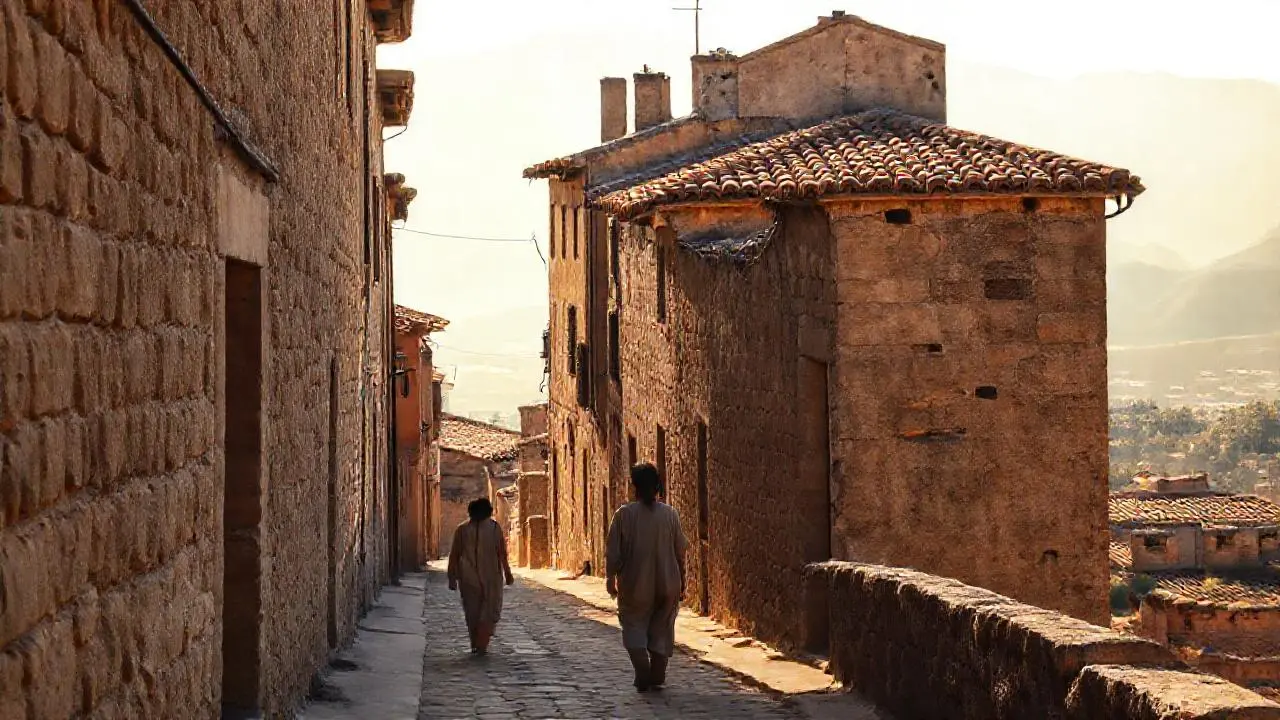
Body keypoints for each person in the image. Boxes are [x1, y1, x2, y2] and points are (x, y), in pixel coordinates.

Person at [605, 463, 689, 691]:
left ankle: (643, 669)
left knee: (633, 625)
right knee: (662, 626)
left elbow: (613, 553)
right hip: (667, 582)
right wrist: (683, 578)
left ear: (635, 487)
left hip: (635, 584)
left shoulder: (624, 515)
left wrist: (610, 578)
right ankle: (658, 671)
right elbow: (680, 550)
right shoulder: (670, 515)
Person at [446, 497, 514, 654]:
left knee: (475, 613)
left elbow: (454, 555)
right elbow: (502, 554)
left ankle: (478, 643)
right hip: (484, 578)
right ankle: (480, 644)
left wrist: (452, 577)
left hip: (472, 579)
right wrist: (507, 573)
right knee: (482, 612)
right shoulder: (490, 528)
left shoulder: (465, 529)